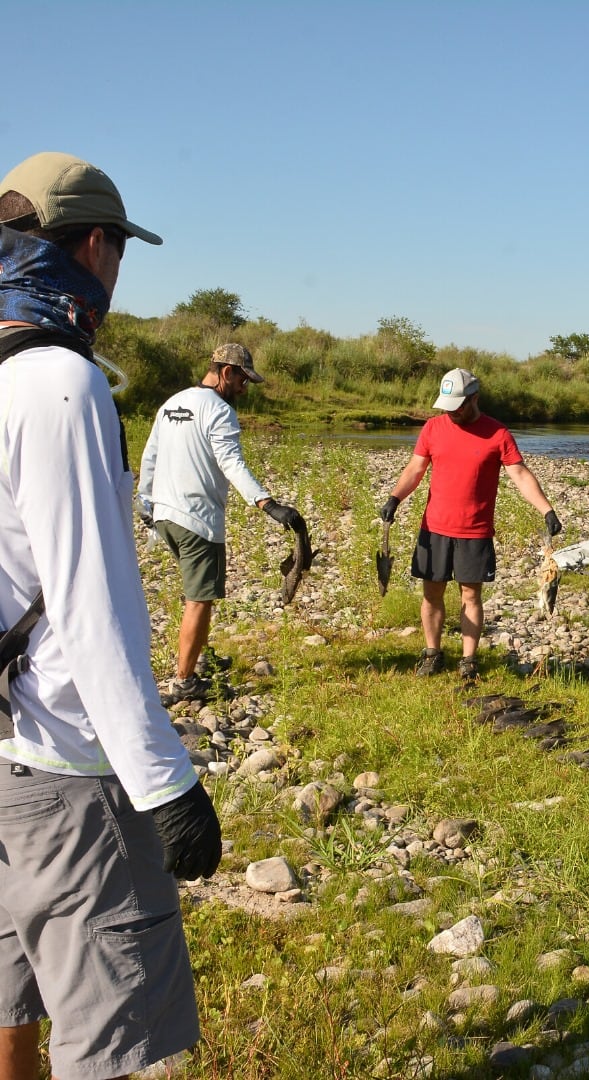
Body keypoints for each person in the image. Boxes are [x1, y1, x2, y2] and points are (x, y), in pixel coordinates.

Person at [0, 152, 221, 1079]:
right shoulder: (63, 382)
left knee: (10, 995)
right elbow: (91, 604)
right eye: (121, 250)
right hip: (68, 766)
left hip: (4, 747)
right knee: (113, 1040)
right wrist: (166, 783)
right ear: (95, 246)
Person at [138, 343, 305, 701]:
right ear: (226, 372)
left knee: (194, 595)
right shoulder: (218, 410)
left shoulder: (172, 403)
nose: (245, 389)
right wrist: (268, 504)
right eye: (244, 380)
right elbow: (231, 463)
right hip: (197, 520)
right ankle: (185, 682)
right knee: (199, 600)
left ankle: (197, 660)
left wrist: (145, 502)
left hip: (165, 516)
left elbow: (150, 454)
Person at [380, 368, 561, 681]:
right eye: (447, 407)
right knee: (431, 594)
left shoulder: (497, 433)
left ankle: (468, 662)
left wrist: (547, 510)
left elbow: (519, 474)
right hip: (434, 528)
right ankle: (432, 654)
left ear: (474, 398)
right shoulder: (433, 428)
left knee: (471, 597)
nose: (452, 413)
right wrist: (395, 498)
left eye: (458, 406)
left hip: (474, 532)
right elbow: (415, 468)